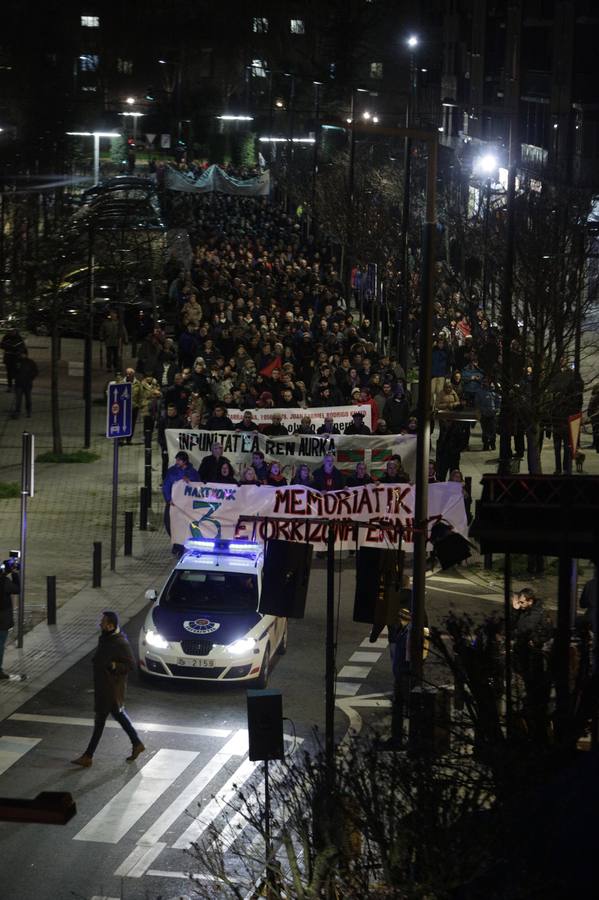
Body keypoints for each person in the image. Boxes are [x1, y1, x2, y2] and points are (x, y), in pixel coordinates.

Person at [71, 611, 144, 768]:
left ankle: (88, 756)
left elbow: (130, 665)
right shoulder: (106, 637)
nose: (100, 624)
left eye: (103, 622)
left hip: (111, 688)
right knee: (117, 716)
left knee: (100, 721)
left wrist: (113, 666)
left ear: (110, 626)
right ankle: (137, 743)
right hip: (104, 686)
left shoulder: (120, 642)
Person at [162, 450, 200, 538]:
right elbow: (166, 485)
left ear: (185, 461)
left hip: (187, 504)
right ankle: (174, 539)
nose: (177, 462)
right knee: (169, 522)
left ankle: (183, 540)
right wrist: (168, 499)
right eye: (176, 460)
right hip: (173, 502)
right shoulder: (172, 471)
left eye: (179, 460)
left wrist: (190, 481)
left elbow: (198, 485)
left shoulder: (193, 472)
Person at [0, 558, 20, 678]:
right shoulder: (4, 582)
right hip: (2, 619)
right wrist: (14, 573)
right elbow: (17, 589)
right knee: (0, 644)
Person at [11, 352, 38, 419]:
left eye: (23, 354)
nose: (22, 355)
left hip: (27, 383)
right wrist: (15, 377)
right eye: (21, 354)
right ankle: (17, 412)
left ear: (26, 354)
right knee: (18, 399)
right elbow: (12, 371)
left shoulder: (30, 362)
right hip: (19, 384)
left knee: (28, 399)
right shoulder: (17, 362)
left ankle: (28, 411)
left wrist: (30, 377)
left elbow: (35, 371)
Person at [1, 327, 27, 391]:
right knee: (9, 372)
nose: (12, 332)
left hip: (16, 357)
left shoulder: (19, 338)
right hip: (8, 357)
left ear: (16, 332)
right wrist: (9, 346)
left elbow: (23, 347)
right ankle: (9, 386)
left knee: (16, 372)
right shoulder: (6, 337)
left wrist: (23, 353)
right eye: (10, 331)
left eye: (13, 331)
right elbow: (2, 345)